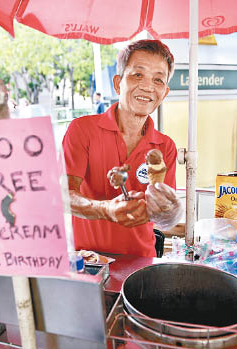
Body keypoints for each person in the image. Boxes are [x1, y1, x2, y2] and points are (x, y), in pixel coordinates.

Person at [62, 39, 183, 257]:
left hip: (142, 264)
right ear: (118, 83)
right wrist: (105, 209)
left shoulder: (165, 147)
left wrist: (170, 210)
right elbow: (63, 194)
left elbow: (162, 217)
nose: (147, 86)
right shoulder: (82, 130)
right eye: (138, 74)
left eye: (158, 80)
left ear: (164, 93)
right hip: (89, 262)